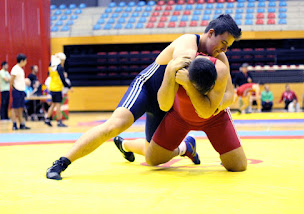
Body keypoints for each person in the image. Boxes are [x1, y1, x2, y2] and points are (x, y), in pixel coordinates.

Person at [46, 14, 242, 180]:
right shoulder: (187, 43)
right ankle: (63, 161)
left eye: (228, 46)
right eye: (223, 42)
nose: (224, 49)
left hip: (168, 100)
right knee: (115, 125)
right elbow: (175, 88)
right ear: (210, 33)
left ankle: (182, 147)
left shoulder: (220, 59)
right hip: (148, 88)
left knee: (152, 155)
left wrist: (215, 105)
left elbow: (229, 95)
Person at [116, 55, 246, 171]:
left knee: (238, 165)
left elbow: (209, 109)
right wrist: (170, 71)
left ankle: (184, 147)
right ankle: (184, 147)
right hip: (179, 117)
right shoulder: (180, 63)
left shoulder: (220, 65)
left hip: (214, 119)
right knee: (152, 159)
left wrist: (189, 85)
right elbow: (163, 104)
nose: (222, 47)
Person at [44, 53, 71, 127]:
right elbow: (62, 79)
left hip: (52, 88)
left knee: (53, 104)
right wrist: (69, 86)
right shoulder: (59, 68)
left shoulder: (52, 66)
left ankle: (47, 119)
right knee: (58, 105)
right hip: (57, 89)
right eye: (63, 61)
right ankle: (59, 121)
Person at [10, 53, 30, 130]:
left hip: (21, 91)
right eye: (25, 61)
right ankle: (14, 124)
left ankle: (21, 123)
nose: (26, 62)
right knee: (14, 108)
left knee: (20, 108)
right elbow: (11, 80)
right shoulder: (15, 69)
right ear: (22, 61)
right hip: (17, 91)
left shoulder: (21, 69)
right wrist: (14, 88)